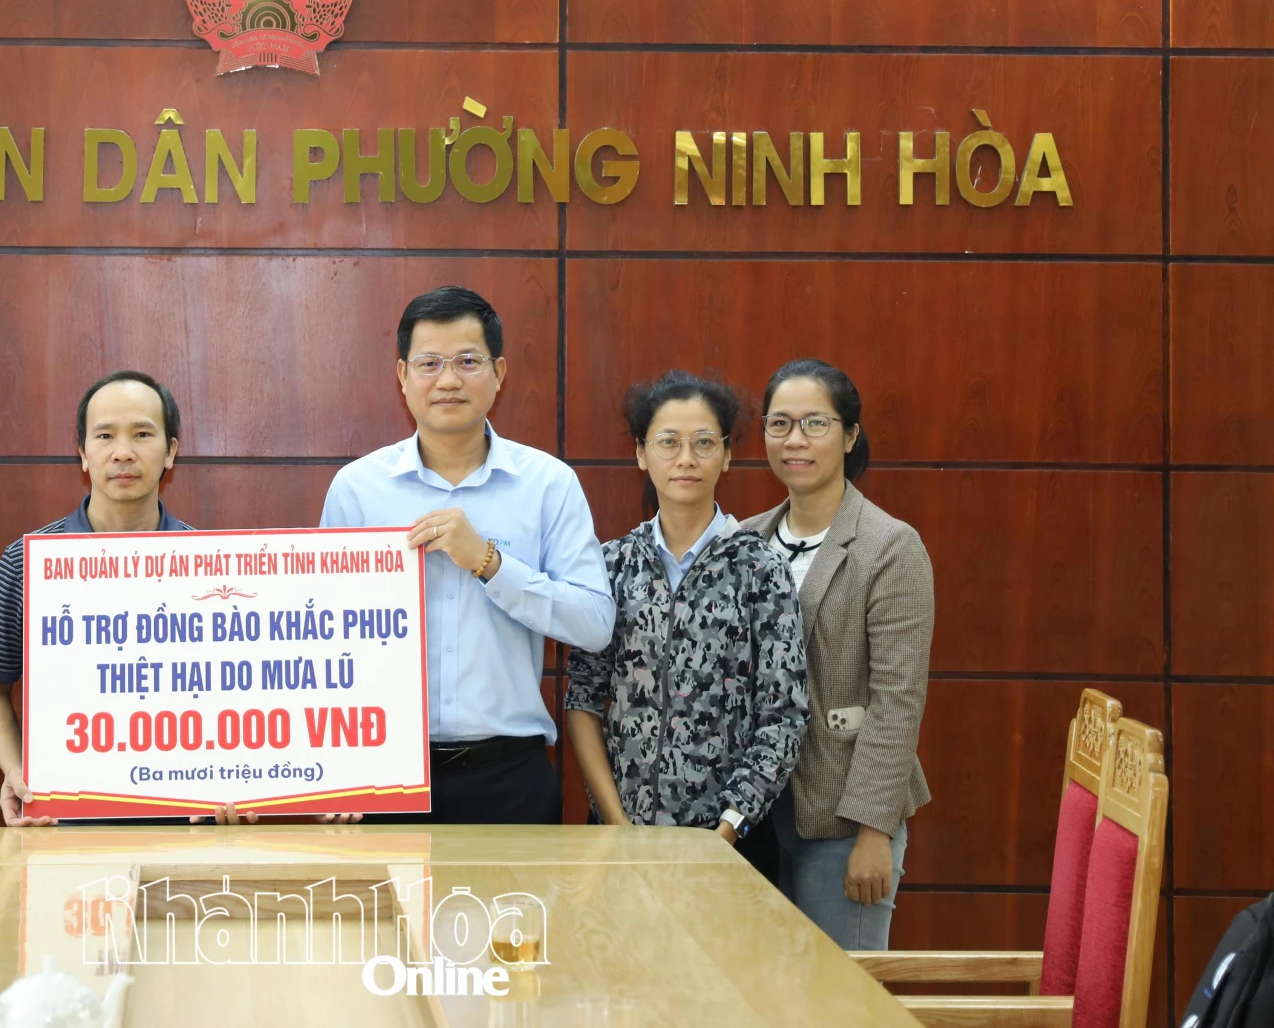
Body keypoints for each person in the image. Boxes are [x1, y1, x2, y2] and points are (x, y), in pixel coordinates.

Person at [320, 285, 613, 824]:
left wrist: (489, 563)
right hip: (386, 775)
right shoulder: (357, 489)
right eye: (429, 363)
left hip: (510, 777)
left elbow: (594, 624)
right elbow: (328, 639)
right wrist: (338, 771)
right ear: (402, 376)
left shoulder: (548, 485)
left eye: (468, 361)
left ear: (499, 373)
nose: (449, 380)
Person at [0, 370, 227, 825]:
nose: (123, 452)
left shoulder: (214, 567)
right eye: (105, 435)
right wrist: (16, 768)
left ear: (170, 451)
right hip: (63, 828)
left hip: (187, 826)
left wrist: (238, 779)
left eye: (142, 434)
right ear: (83, 454)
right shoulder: (28, 561)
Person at [565, 371, 807, 845]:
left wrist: (726, 831)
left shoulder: (760, 568)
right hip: (621, 838)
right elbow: (583, 701)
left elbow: (784, 714)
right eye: (668, 442)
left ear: (727, 455)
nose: (686, 459)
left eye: (703, 442)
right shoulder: (611, 565)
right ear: (641, 453)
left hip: (729, 842)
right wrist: (617, 826)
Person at [742, 359, 933, 952]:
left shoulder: (890, 546)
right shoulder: (743, 541)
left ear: (850, 436)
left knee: (839, 991)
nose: (794, 440)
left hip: (844, 819)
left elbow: (897, 702)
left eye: (815, 423)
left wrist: (875, 830)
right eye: (779, 423)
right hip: (752, 818)